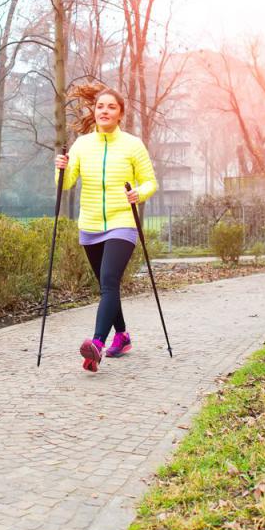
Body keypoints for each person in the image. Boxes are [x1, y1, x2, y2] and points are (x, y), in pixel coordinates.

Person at [54, 87, 158, 372]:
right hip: (89, 225)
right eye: (100, 106)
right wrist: (60, 168)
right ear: (94, 111)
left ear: (120, 113)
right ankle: (122, 336)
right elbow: (65, 184)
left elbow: (150, 181)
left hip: (122, 222)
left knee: (109, 281)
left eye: (111, 107)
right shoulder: (82, 145)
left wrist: (139, 192)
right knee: (106, 286)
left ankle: (97, 344)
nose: (104, 111)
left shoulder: (132, 145)